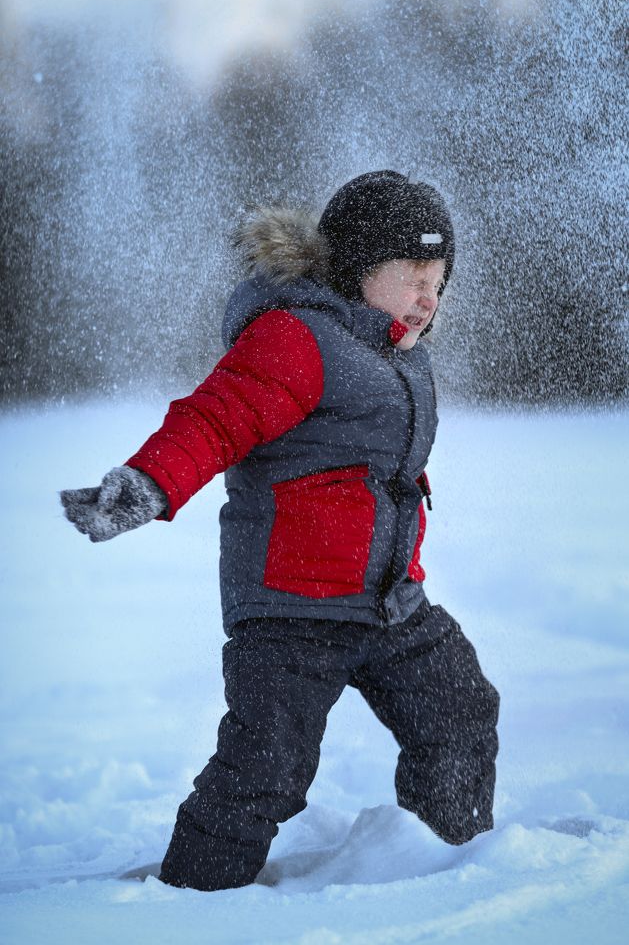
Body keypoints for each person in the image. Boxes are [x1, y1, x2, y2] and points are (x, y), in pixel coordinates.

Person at [60, 169, 500, 892]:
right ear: (358, 267)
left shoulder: (396, 354)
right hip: (292, 607)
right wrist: (150, 482)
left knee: (458, 709)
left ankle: (441, 860)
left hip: (387, 601)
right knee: (266, 766)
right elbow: (216, 418)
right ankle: (194, 896)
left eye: (438, 279)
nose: (429, 297)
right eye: (413, 276)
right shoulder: (297, 336)